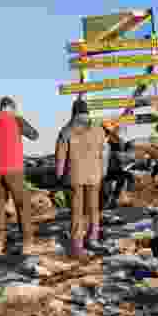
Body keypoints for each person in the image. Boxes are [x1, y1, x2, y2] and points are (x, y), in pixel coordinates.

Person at [0, 96, 39, 256]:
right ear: (12, 107)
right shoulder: (16, 119)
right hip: (14, 169)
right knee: (22, 204)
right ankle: (27, 243)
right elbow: (34, 135)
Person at [55, 99, 106, 257]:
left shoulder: (67, 130)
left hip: (74, 175)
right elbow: (103, 153)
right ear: (87, 112)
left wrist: (59, 176)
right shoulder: (98, 129)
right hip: (95, 175)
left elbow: (60, 157)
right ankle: (93, 238)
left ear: (74, 112)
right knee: (93, 208)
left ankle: (77, 245)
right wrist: (102, 173)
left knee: (77, 211)